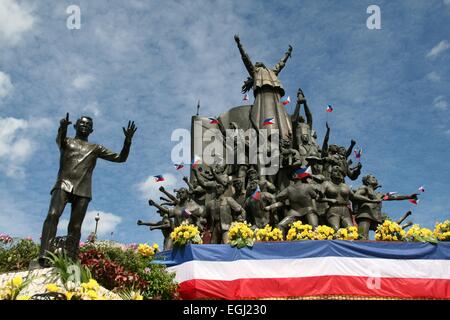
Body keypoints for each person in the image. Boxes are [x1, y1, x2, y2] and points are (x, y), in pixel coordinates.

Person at [39, 114, 136, 265]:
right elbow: (59, 139)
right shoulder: (66, 142)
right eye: (81, 123)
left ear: (92, 130)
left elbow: (120, 158)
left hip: (83, 189)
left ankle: (70, 259)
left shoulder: (95, 148)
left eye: (87, 125)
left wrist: (127, 141)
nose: (84, 126)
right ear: (75, 126)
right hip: (63, 184)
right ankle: (44, 254)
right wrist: (62, 127)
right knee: (52, 215)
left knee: (75, 226)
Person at [234, 35, 293, 140]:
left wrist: (287, 54)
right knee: (265, 113)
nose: (257, 63)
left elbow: (281, 64)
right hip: (263, 94)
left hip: (275, 94)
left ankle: (282, 136)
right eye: (256, 64)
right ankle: (267, 136)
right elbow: (246, 59)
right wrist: (239, 45)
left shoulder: (271, 72)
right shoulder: (255, 72)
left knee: (279, 114)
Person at [354, 174, 418, 239]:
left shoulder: (379, 195)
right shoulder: (364, 188)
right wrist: (372, 201)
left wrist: (409, 197)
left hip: (376, 219)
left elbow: (395, 197)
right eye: (373, 178)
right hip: (365, 216)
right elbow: (356, 195)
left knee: (385, 236)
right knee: (362, 237)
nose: (375, 179)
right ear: (367, 181)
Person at [319, 166, 379, 231]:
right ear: (331, 173)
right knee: (335, 229)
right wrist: (329, 200)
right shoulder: (326, 184)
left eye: (340, 172)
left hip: (345, 211)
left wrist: (370, 200)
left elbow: (354, 197)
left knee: (351, 230)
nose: (338, 173)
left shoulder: (345, 186)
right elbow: (318, 198)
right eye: (335, 171)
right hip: (333, 209)